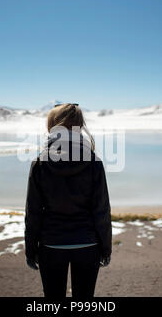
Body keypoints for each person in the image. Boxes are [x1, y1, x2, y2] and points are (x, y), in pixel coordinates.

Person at [24, 103, 112, 299]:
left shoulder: (39, 163)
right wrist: (106, 248)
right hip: (88, 245)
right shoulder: (94, 162)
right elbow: (101, 211)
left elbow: (33, 212)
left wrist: (30, 250)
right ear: (79, 126)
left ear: (52, 125)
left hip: (51, 245)